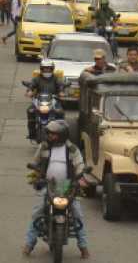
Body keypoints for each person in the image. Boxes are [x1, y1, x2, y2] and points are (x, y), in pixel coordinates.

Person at [22, 120, 90, 259]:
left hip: (67, 185)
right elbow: (35, 162)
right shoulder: (44, 147)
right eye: (49, 133)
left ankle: (83, 246)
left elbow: (79, 165)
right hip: (48, 184)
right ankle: (29, 244)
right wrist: (36, 173)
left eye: (53, 134)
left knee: (77, 213)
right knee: (37, 211)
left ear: (62, 135)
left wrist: (80, 175)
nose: (49, 136)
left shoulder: (72, 149)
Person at [26, 60, 65, 140]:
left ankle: (61, 133)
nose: (46, 70)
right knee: (30, 110)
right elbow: (32, 84)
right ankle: (32, 133)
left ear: (52, 69)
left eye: (49, 68)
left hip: (54, 100)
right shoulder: (37, 78)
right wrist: (29, 91)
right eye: (44, 68)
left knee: (60, 112)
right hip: (39, 99)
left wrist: (61, 92)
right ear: (41, 69)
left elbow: (60, 85)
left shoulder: (55, 78)